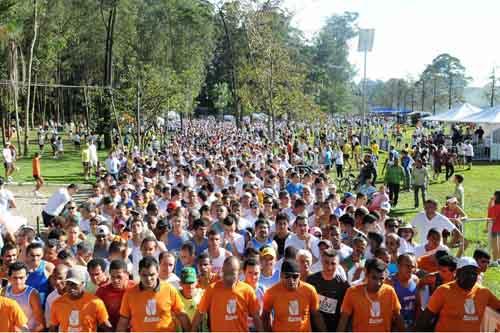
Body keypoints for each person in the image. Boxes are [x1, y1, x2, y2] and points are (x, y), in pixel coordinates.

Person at [417, 257, 500, 331]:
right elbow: (425, 319)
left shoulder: (484, 292)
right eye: (467, 273)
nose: (471, 276)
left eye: (474, 273)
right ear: (458, 273)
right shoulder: (443, 291)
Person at [117, 256, 190, 332]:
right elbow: (123, 322)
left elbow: (182, 316)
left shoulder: (170, 290)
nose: (148, 279)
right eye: (144, 275)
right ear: (139, 273)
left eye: (152, 275)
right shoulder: (129, 294)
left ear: (158, 272)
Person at [192, 256, 262, 332]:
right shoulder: (212, 289)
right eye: (226, 273)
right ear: (222, 270)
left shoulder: (247, 290)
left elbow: (256, 317)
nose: (228, 277)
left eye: (232, 274)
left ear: (239, 273)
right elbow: (200, 313)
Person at [337, 258, 405, 332]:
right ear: (366, 274)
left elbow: (398, 317)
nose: (378, 283)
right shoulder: (352, 292)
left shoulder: (390, 291)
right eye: (374, 278)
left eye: (381, 278)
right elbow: (343, 321)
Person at [262, 259, 326, 332]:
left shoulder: (310, 291)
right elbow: (265, 317)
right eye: (287, 276)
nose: (291, 280)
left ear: (300, 275)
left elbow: (316, 316)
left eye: (295, 276)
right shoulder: (271, 293)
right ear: (281, 275)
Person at [49, 267, 112, 331]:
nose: (71, 288)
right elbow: (53, 327)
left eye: (74, 284)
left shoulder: (95, 302)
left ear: (83, 284)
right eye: (68, 283)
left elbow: (105, 325)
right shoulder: (57, 303)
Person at [306, 248, 349, 331]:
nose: (329, 267)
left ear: (338, 264)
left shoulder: (344, 285)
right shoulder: (311, 281)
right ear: (321, 261)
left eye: (333, 263)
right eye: (326, 262)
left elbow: (345, 314)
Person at [96, 259, 135, 330]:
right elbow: (97, 314)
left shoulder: (136, 288)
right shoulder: (102, 291)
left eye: (119, 277)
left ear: (127, 275)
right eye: (112, 277)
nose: (115, 280)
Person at [5, 261, 45, 331]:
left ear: (27, 276)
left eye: (21, 278)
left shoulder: (33, 294)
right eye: (15, 278)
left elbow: (40, 324)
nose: (18, 281)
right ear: (9, 277)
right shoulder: (4, 291)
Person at [387, 253, 419, 330]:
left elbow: (418, 305)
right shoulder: (390, 282)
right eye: (407, 266)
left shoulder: (415, 280)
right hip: (394, 327)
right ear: (398, 266)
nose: (410, 269)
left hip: (411, 326)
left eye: (413, 266)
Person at [487, 190, 500, 262]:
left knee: (495, 246)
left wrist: (490, 201)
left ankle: (495, 261)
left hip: (495, 228)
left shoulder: (495, 207)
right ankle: (498, 260)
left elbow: (491, 215)